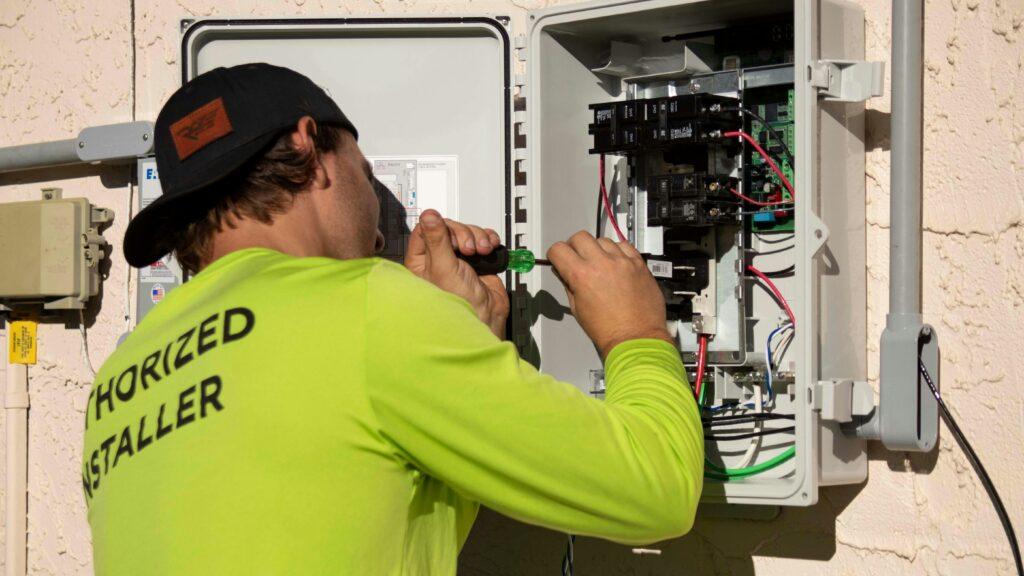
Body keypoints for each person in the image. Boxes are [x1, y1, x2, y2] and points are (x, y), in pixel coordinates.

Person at [82, 63, 703, 575]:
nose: (382, 223)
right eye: (367, 171)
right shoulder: (369, 308)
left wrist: (464, 335)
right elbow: (659, 490)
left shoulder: (117, 379)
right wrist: (636, 331)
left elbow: (383, 526)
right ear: (309, 146)